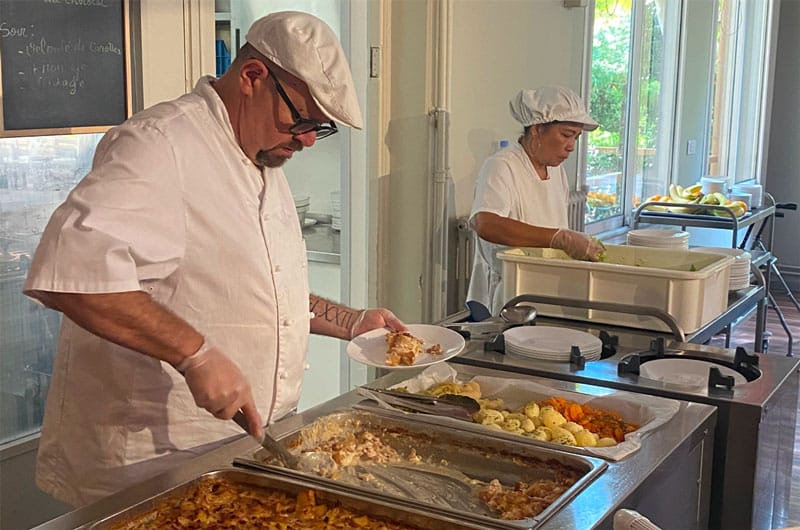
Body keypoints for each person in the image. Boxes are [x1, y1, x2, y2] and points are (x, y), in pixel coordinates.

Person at [22, 11, 405, 507]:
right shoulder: (161, 145)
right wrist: (193, 353)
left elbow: (257, 288)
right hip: (151, 463)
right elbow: (70, 277)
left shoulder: (262, 156)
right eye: (304, 120)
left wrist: (353, 321)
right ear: (252, 77)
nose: (309, 139)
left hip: (241, 452)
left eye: (320, 128)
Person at [467, 85, 604, 314]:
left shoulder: (556, 170)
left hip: (543, 286)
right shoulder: (503, 165)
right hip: (508, 293)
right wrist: (561, 239)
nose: (571, 146)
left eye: (576, 138)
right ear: (537, 130)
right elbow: (486, 223)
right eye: (566, 135)